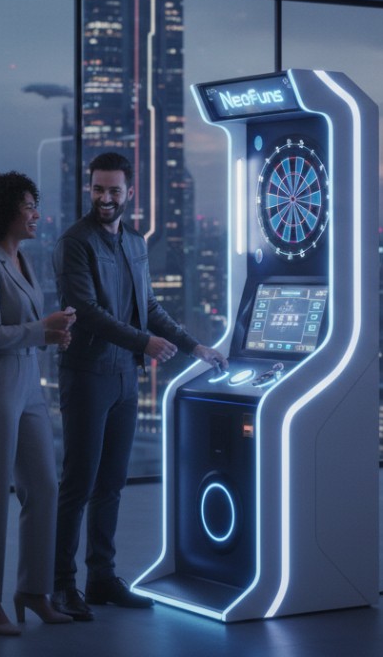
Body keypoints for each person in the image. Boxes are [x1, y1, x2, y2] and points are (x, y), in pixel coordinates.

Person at [50, 152, 227, 620]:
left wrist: (194, 347)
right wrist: (145, 343)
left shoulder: (134, 243)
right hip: (87, 374)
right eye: (98, 189)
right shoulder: (75, 242)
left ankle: (101, 578)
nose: (105, 198)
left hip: (124, 375)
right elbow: (86, 311)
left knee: (111, 484)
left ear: (130, 192)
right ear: (89, 189)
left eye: (113, 190)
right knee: (79, 483)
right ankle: (62, 586)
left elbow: (148, 306)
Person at [0, 171, 77, 636]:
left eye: (35, 204)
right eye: (28, 205)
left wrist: (52, 332)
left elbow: (27, 328)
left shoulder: (22, 260)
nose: (36, 213)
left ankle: (33, 589)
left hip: (29, 384)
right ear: (6, 210)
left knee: (44, 487)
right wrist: (41, 328)